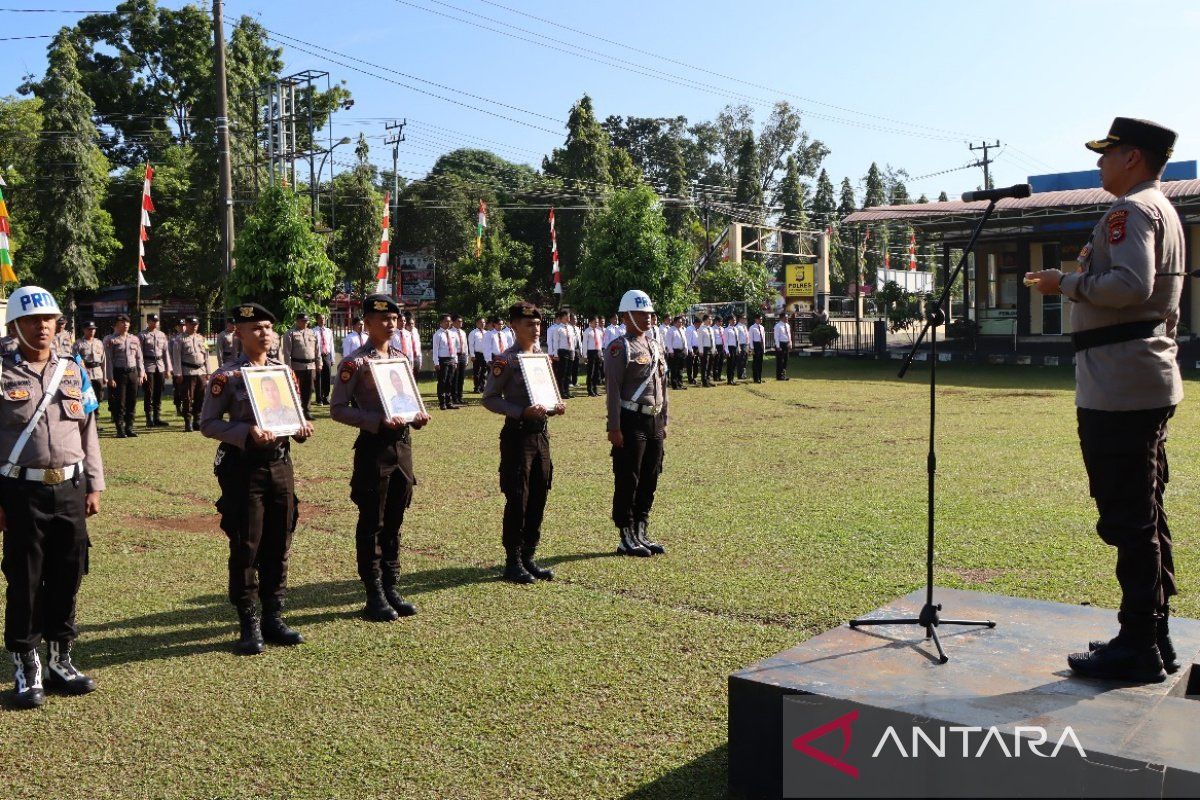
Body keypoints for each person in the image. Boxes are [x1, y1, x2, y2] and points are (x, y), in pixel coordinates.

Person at [1026, 117, 1185, 683]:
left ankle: (1138, 645)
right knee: (1144, 512)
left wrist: (1063, 284)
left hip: (1120, 384)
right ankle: (1152, 635)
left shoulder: (1130, 212)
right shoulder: (1160, 209)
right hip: (1137, 377)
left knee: (1127, 518)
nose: (1099, 164)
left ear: (1133, 158)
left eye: (1108, 154)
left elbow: (1130, 286)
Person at [2, 285, 105, 709]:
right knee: (25, 579)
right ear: (14, 326)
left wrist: (95, 483)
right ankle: (26, 664)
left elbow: (88, 430)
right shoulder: (2, 373)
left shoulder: (72, 368)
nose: (42, 327)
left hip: (70, 486)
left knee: (69, 571)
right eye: (32, 320)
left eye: (48, 319)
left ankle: (61, 657)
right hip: (21, 490)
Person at [201, 302, 314, 655]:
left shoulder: (284, 373)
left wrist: (300, 428)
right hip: (244, 468)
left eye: (268, 327)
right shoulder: (226, 376)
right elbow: (208, 423)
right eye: (256, 328)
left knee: (280, 540)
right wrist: (245, 431)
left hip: (280, 465)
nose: (265, 333)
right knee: (247, 544)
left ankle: (274, 617)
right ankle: (249, 623)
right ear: (239, 332)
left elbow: (293, 415)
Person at [332, 294, 430, 621]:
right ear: (367, 323)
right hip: (374, 448)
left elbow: (408, 399)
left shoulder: (400, 359)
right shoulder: (355, 363)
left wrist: (417, 415)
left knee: (396, 519)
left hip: (402, 446)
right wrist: (374, 421)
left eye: (394, 319)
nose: (390, 324)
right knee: (372, 522)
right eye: (382, 319)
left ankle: (391, 586)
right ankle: (373, 593)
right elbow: (337, 409)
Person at [482, 301, 566, 584]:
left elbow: (546, 394)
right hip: (517, 435)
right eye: (529, 324)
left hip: (541, 434)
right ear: (514, 326)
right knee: (518, 497)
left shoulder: (540, 357)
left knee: (540, 494)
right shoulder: (506, 360)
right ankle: (513, 561)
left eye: (538, 323)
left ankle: (529, 555)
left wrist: (555, 405)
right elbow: (490, 398)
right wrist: (519, 411)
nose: (535, 328)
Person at [604, 289, 668, 558]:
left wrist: (664, 421)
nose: (648, 318)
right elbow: (613, 390)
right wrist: (614, 427)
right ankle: (626, 534)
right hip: (630, 420)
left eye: (650, 313)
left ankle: (642, 528)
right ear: (627, 316)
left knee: (650, 476)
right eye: (642, 314)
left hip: (653, 418)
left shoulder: (655, 345)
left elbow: (663, 386)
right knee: (628, 476)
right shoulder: (620, 347)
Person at [103, 313, 145, 438]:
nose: (126, 324)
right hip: (118, 373)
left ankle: (129, 427)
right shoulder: (110, 340)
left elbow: (139, 358)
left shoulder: (134, 339)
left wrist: (141, 374)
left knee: (132, 401)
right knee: (119, 403)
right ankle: (119, 428)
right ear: (116, 325)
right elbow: (108, 360)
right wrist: (109, 377)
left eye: (127, 322)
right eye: (122, 322)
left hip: (132, 372)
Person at [170, 316, 209, 432]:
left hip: (201, 372)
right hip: (187, 372)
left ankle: (197, 421)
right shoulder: (179, 339)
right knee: (187, 398)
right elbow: (176, 358)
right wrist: (178, 373)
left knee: (201, 397)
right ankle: (188, 422)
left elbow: (206, 355)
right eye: (192, 324)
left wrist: (209, 371)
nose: (194, 326)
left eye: (196, 324)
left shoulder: (202, 338)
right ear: (186, 324)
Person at [281, 312, 318, 421]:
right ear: (297, 321)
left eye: (306, 321)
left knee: (309, 389)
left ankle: (306, 411)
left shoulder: (312, 333)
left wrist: (318, 363)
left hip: (310, 365)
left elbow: (317, 350)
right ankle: (295, 412)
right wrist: (288, 367)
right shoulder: (290, 333)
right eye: (303, 321)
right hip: (296, 366)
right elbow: (286, 352)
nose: (305, 323)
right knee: (296, 390)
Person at [139, 312, 172, 428]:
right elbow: (140, 354)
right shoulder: (142, 335)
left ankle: (157, 418)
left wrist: (168, 369)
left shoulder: (162, 335)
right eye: (153, 321)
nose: (155, 323)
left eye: (157, 321)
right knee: (149, 392)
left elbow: (166, 353)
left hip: (160, 366)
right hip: (148, 366)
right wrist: (141, 370)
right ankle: (149, 419)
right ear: (148, 322)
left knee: (159, 392)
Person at [72, 321, 105, 427]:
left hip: (98, 373)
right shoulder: (78, 343)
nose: (92, 331)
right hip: (86, 374)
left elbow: (104, 360)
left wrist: (106, 376)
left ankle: (96, 420)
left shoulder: (99, 342)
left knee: (98, 398)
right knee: (87, 398)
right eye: (89, 329)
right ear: (84, 330)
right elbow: (75, 360)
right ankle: (89, 422)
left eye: (93, 329)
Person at [432, 314, 459, 411]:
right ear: (441, 322)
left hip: (451, 359)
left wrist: (455, 360)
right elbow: (435, 349)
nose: (448, 323)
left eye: (449, 321)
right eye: (446, 321)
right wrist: (436, 363)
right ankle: (442, 402)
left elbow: (455, 348)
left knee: (450, 382)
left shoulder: (452, 333)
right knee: (442, 382)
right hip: (442, 360)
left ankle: (449, 402)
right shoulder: (437, 334)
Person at [313, 312, 335, 406]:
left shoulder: (329, 331)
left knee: (327, 377)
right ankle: (319, 399)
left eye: (324, 318)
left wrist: (332, 358)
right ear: (317, 320)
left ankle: (326, 397)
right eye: (320, 318)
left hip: (327, 355)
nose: (322, 320)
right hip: (318, 356)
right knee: (318, 377)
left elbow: (331, 345)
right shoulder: (313, 331)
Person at [584, 317, 605, 396]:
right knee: (591, 372)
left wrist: (601, 354)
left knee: (597, 372)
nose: (596, 324)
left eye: (597, 322)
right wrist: (585, 355)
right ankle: (590, 390)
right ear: (590, 322)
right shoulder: (587, 331)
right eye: (595, 322)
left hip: (598, 352)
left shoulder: (599, 331)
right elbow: (585, 344)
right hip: (591, 352)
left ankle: (595, 389)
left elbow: (601, 343)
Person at [451, 314, 469, 405]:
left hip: (462, 355)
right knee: (455, 377)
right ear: (453, 322)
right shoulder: (450, 332)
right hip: (455, 355)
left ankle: (460, 397)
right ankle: (454, 397)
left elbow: (465, 346)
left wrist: (466, 358)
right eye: (459, 321)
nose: (461, 323)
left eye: (461, 321)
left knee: (461, 377)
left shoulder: (463, 332)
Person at [468, 317, 487, 393]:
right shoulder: (473, 333)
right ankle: (476, 387)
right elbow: (471, 344)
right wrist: (472, 355)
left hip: (485, 354)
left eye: (484, 322)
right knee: (477, 372)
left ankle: (482, 386)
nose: (482, 324)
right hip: (477, 354)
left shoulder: (486, 333)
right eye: (481, 322)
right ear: (477, 323)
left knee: (484, 371)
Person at [749, 314, 767, 383]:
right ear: (756, 319)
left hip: (761, 345)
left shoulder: (762, 327)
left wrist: (764, 348)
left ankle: (760, 377)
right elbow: (751, 339)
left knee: (760, 362)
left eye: (761, 319)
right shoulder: (752, 328)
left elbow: (763, 338)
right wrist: (752, 348)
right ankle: (756, 378)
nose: (760, 320)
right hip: (755, 345)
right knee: (755, 362)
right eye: (759, 319)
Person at [774, 312, 792, 380]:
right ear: (781, 318)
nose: (787, 319)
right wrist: (778, 346)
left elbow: (789, 335)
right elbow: (776, 337)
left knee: (785, 360)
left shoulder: (787, 325)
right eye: (785, 317)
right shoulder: (778, 326)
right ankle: (779, 376)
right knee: (780, 360)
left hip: (786, 343)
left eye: (787, 317)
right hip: (780, 344)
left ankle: (784, 374)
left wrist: (790, 343)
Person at [736, 315, 750, 380]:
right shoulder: (737, 327)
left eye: (745, 318)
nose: (745, 320)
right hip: (741, 345)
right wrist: (738, 347)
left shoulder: (744, 326)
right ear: (740, 319)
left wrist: (748, 345)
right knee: (740, 361)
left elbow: (747, 336)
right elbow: (737, 338)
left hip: (746, 345)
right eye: (743, 318)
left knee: (745, 360)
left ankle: (744, 374)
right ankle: (740, 375)